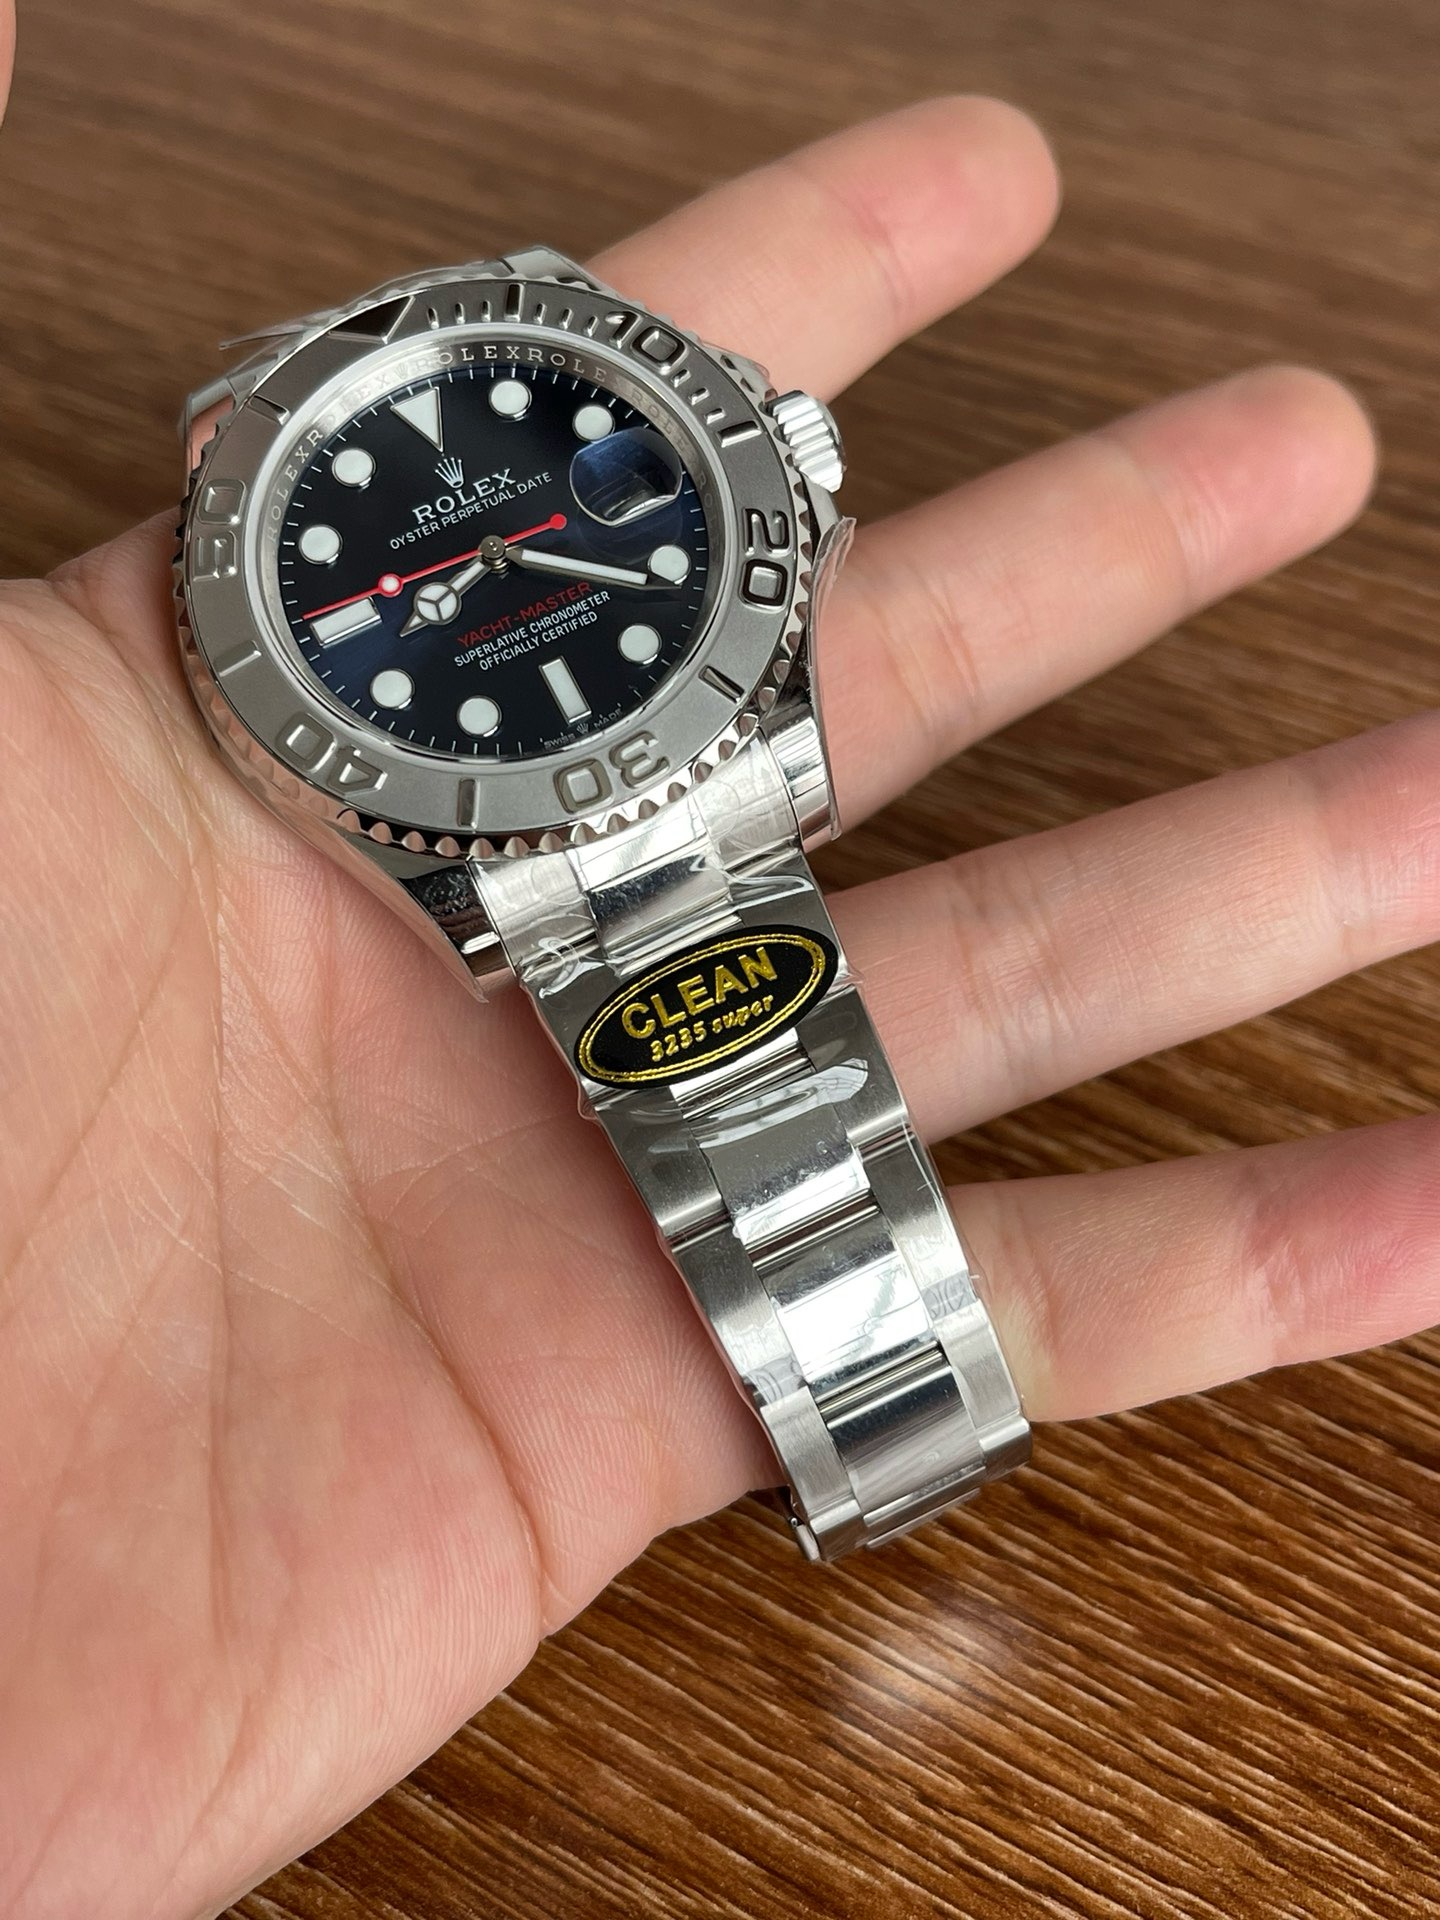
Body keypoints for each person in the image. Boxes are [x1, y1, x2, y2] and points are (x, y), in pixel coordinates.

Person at [0, 24, 1420, 1914]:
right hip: (511, 862)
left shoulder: (595, 509)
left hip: (686, 775)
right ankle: (875, 1422)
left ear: (779, 474)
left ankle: (884, 1416)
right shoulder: (288, 596)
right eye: (409, 577)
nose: (475, 562)